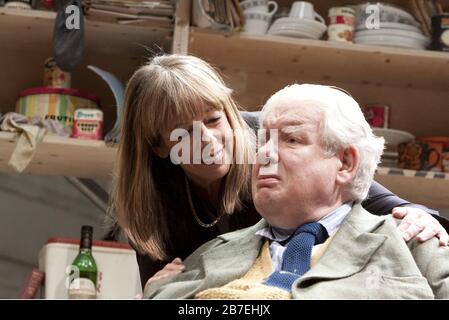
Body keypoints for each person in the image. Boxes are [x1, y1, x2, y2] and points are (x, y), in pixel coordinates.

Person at [110, 54, 449, 290]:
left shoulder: (268, 134)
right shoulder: (152, 196)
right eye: (183, 133)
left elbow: (356, 184)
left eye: (214, 119)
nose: (208, 139)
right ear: (157, 147)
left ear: (228, 111)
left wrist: (419, 214)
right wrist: (156, 291)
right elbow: (168, 289)